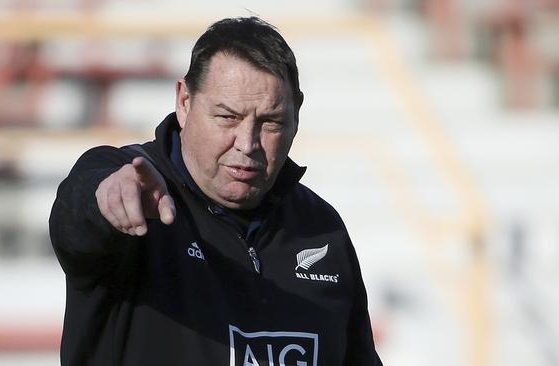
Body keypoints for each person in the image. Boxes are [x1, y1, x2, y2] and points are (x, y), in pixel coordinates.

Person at [49, 16, 382, 366]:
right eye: (228, 117)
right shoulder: (131, 184)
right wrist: (106, 201)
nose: (247, 143)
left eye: (271, 122)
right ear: (184, 101)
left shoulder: (321, 227)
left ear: (296, 113)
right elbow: (75, 220)